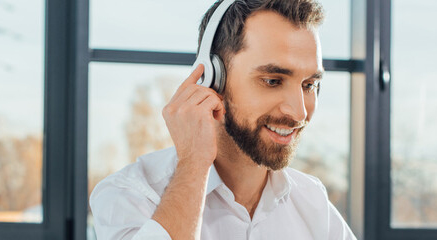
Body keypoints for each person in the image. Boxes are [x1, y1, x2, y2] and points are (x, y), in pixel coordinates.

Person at [90, 0, 356, 239]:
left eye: (309, 85)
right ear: (213, 78)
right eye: (273, 81)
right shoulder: (130, 195)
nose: (299, 113)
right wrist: (194, 163)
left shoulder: (312, 202)